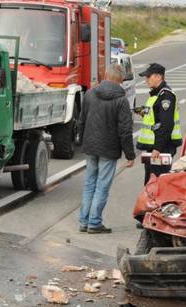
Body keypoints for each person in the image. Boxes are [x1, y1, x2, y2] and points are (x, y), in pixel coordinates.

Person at [77, 64, 136, 234]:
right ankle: (94, 223)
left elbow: (81, 121)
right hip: (108, 150)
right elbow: (125, 131)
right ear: (121, 81)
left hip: (90, 147)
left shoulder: (89, 94)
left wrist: (84, 142)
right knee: (102, 187)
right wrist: (130, 155)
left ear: (105, 75)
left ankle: (84, 221)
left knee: (89, 184)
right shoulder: (121, 100)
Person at [136, 63, 182, 185]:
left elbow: (166, 124)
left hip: (161, 147)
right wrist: (143, 111)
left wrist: (157, 148)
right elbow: (155, 115)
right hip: (155, 147)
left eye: (148, 77)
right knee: (151, 181)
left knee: (157, 183)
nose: (146, 80)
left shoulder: (165, 95)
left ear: (158, 77)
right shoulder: (156, 94)